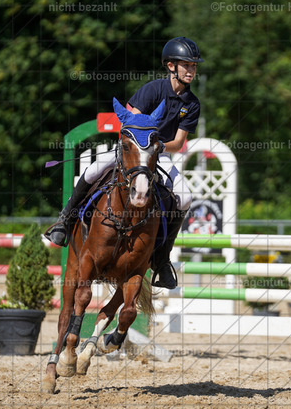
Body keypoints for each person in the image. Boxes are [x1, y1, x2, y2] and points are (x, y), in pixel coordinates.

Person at [45, 36, 203, 289]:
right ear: (171, 66)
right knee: (95, 169)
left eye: (193, 66)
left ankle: (162, 259)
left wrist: (157, 148)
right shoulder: (152, 90)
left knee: (185, 197)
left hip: (159, 153)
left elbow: (179, 141)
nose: (191, 70)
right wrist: (142, 148)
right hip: (131, 151)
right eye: (186, 65)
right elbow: (130, 124)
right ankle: (65, 220)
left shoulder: (192, 103)